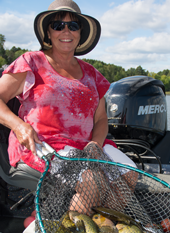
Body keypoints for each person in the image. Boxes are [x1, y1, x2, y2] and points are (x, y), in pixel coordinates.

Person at [0, 0, 138, 214]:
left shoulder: (93, 74)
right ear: (48, 31)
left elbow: (101, 119)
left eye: (73, 26)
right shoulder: (30, 62)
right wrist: (19, 126)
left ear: (80, 32)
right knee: (92, 181)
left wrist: (95, 144)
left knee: (130, 173)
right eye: (58, 25)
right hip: (43, 144)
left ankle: (102, 224)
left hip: (87, 145)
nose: (66, 31)